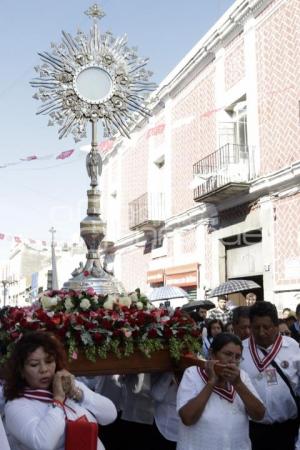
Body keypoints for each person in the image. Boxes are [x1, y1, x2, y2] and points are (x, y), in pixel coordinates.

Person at [3, 331, 117, 450]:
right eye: (34, 364)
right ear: (21, 371)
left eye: (49, 361)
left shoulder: (67, 385)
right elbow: (42, 444)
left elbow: (110, 415)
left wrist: (77, 393)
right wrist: (58, 401)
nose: (44, 369)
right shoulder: (16, 406)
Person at [176, 333, 265, 450]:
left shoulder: (241, 377)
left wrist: (238, 384)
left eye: (238, 357)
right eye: (228, 354)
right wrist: (211, 382)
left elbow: (259, 415)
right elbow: (188, 418)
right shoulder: (193, 374)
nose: (233, 361)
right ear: (212, 354)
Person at [241, 301, 300, 450]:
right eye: (256, 327)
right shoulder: (241, 350)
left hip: (288, 428)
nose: (261, 332)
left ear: (276, 325)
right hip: (253, 429)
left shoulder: (292, 347)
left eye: (266, 327)